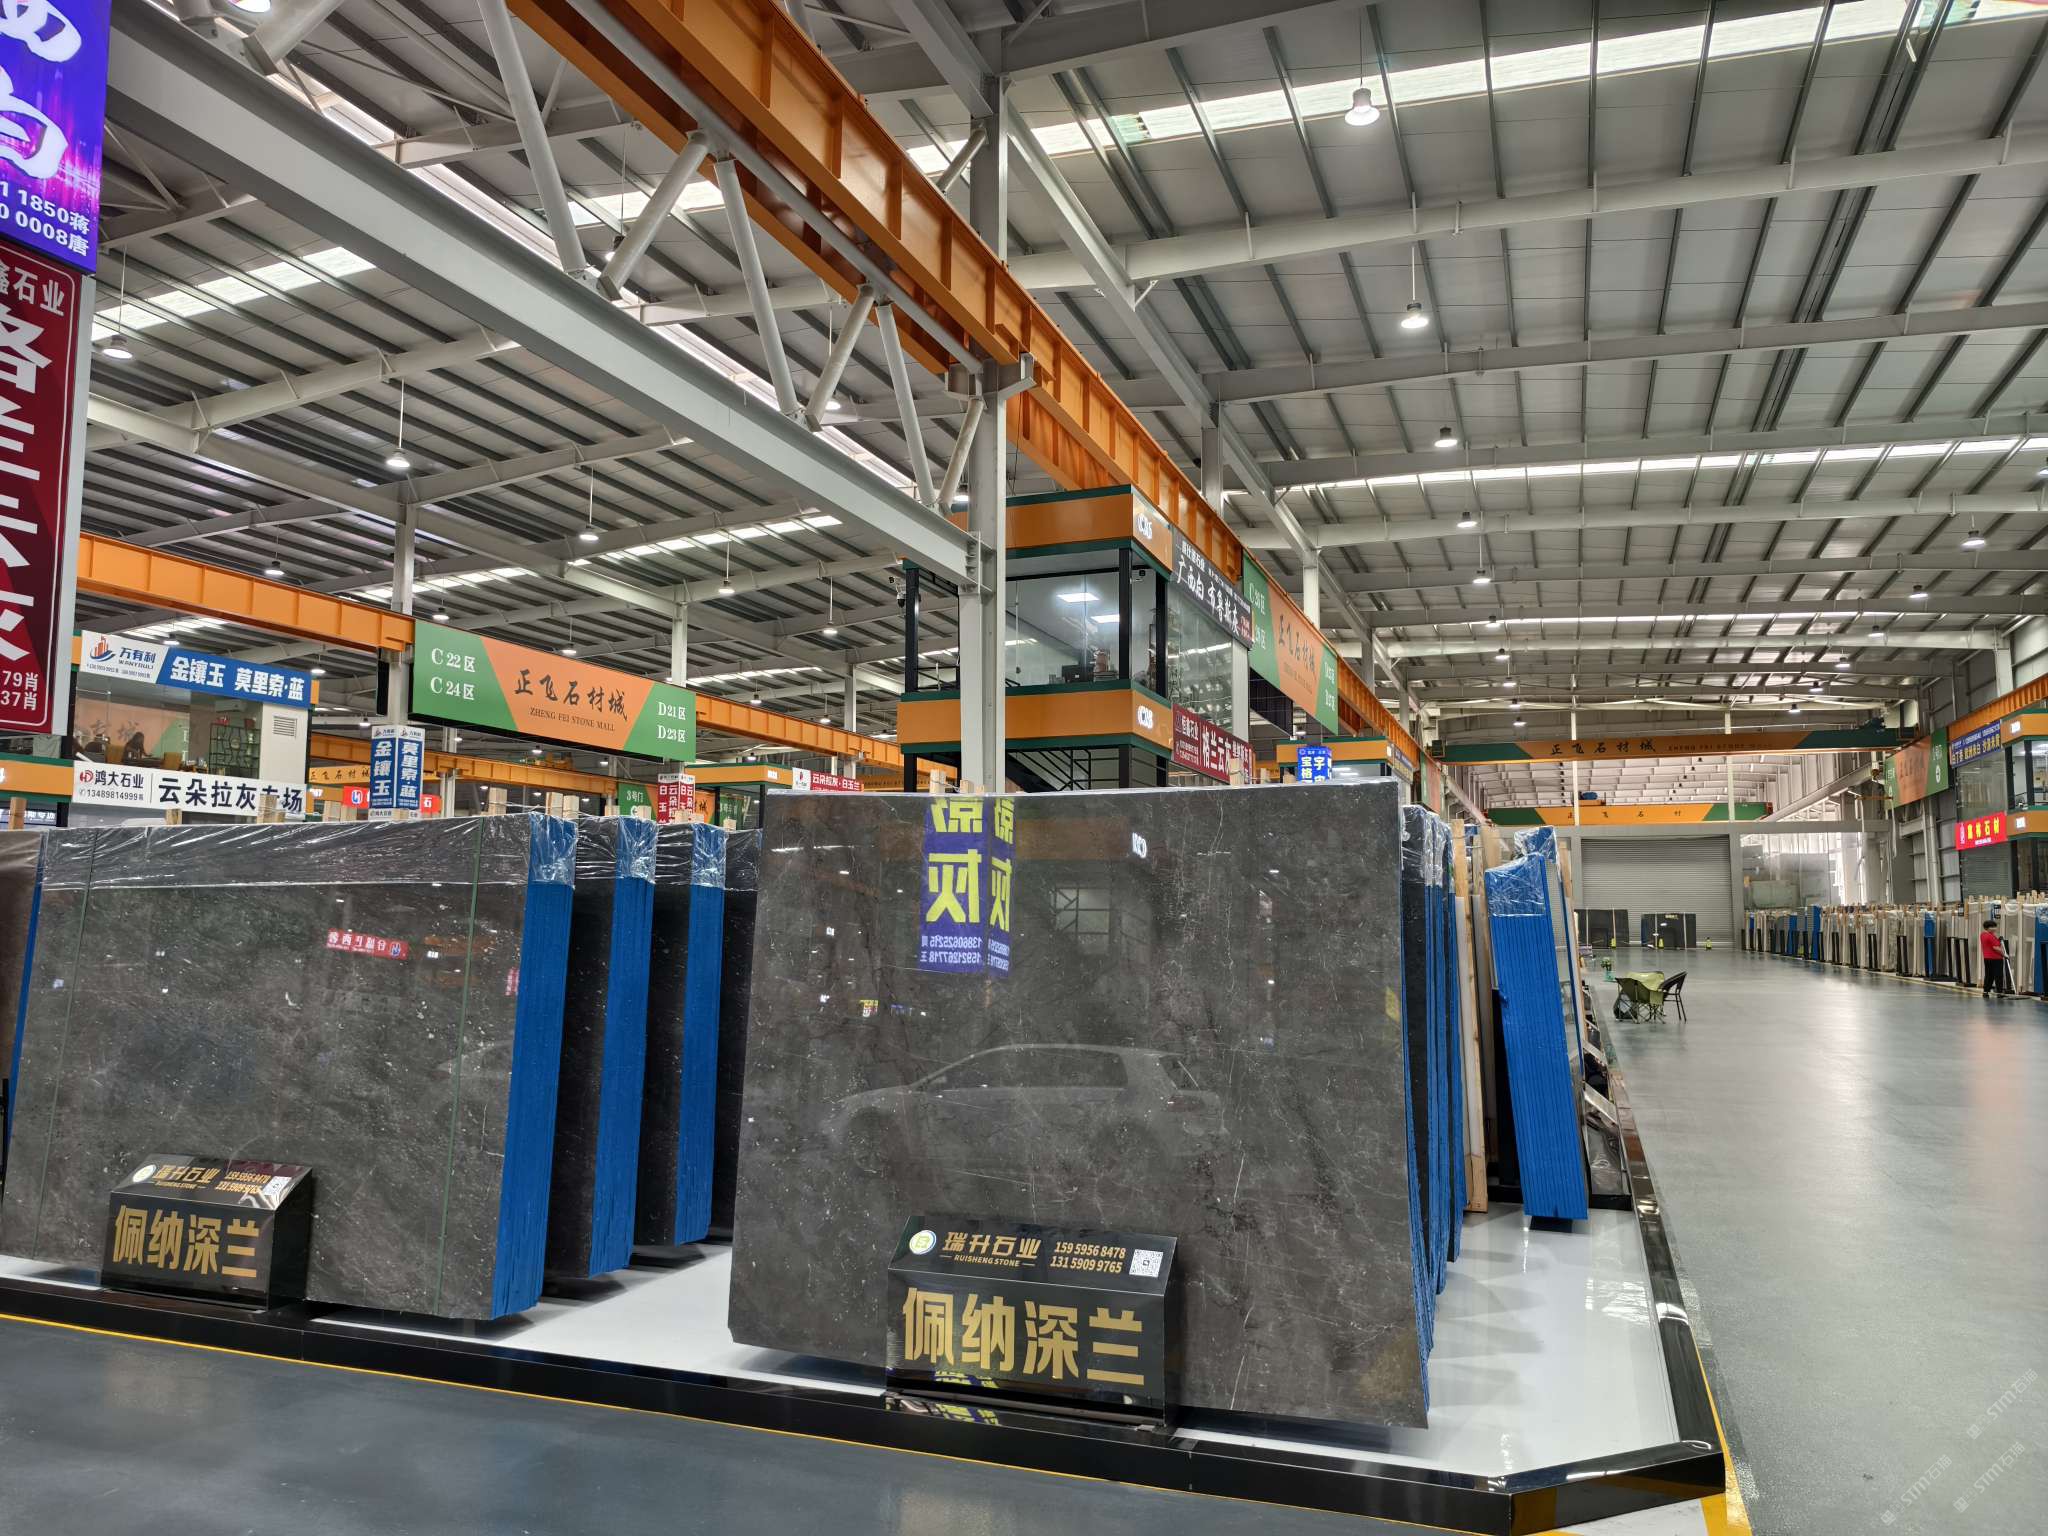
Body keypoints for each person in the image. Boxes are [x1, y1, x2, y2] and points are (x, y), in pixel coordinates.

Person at [1980, 919, 2011, 997]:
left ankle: (1986, 991)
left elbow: (1991, 944)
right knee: (1998, 975)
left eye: (1995, 927)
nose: (1995, 929)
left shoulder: (1983, 935)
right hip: (1996, 958)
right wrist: (2004, 955)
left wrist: (1998, 940)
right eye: (1993, 927)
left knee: (1989, 975)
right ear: (1988, 928)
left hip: (1987, 958)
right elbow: (1996, 948)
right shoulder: (1990, 936)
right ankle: (1999, 992)